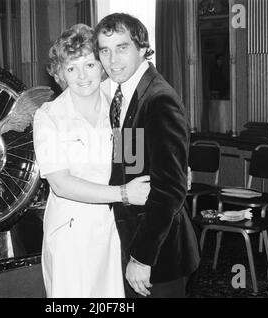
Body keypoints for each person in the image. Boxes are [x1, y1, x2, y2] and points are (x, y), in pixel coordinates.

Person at [32, 23, 150, 298]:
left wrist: (172, 169)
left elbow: (134, 163)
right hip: (70, 235)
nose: (82, 76)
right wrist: (123, 193)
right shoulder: (48, 116)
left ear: (102, 66)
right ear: (61, 74)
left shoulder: (120, 108)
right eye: (71, 68)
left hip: (113, 231)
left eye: (89, 65)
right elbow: (61, 184)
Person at [94, 13, 200, 298]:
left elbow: (170, 190)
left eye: (122, 47)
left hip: (159, 254)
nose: (112, 60)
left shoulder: (158, 99)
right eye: (105, 50)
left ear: (142, 48)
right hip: (135, 240)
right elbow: (132, 164)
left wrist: (142, 257)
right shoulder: (127, 93)